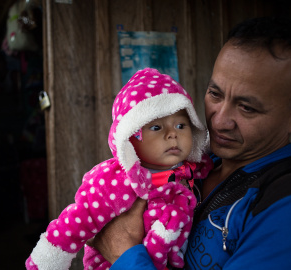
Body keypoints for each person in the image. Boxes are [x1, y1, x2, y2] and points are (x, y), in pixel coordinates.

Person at [89, 16, 291, 269]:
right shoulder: (194, 163)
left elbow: (121, 241)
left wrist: (123, 252)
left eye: (247, 108)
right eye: (215, 94)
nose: (219, 121)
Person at [26, 68, 213, 270]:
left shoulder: (193, 171)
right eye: (157, 127)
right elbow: (78, 218)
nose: (172, 135)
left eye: (181, 126)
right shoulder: (115, 180)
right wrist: (48, 259)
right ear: (130, 137)